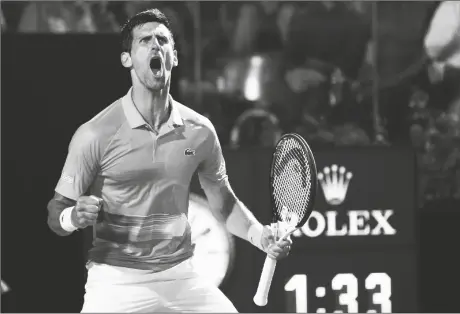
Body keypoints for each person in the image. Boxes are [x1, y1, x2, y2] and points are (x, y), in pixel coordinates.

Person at [46, 8, 292, 313]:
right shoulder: (95, 133)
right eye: (144, 41)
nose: (154, 46)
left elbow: (223, 203)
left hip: (181, 276)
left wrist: (260, 235)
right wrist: (74, 217)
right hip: (116, 281)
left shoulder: (200, 131)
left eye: (162, 40)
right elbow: (56, 214)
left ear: (173, 56)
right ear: (127, 59)